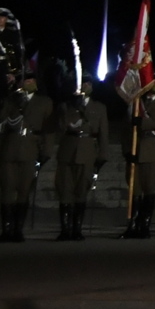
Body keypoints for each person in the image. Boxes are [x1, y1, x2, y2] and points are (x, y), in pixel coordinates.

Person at [0, 62, 53, 242]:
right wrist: (9, 100)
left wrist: (46, 153)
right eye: (26, 80)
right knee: (7, 189)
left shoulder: (45, 102)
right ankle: (6, 230)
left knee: (24, 190)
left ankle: (18, 230)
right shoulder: (12, 99)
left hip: (30, 149)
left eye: (32, 79)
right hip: (10, 149)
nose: (30, 82)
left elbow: (48, 130)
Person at [51, 62, 109, 241]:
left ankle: (77, 229)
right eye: (83, 83)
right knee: (65, 189)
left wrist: (102, 156)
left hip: (87, 151)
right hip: (68, 150)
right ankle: (65, 229)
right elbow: (59, 127)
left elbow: (103, 134)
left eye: (89, 83)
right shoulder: (66, 106)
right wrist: (72, 108)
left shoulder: (98, 107)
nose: (86, 86)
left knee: (81, 190)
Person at [125, 70, 155, 239]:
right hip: (136, 149)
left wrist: (144, 122)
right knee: (134, 190)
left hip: (153, 151)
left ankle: (145, 226)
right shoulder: (138, 101)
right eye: (153, 80)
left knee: (149, 189)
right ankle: (132, 225)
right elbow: (127, 128)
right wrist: (127, 150)